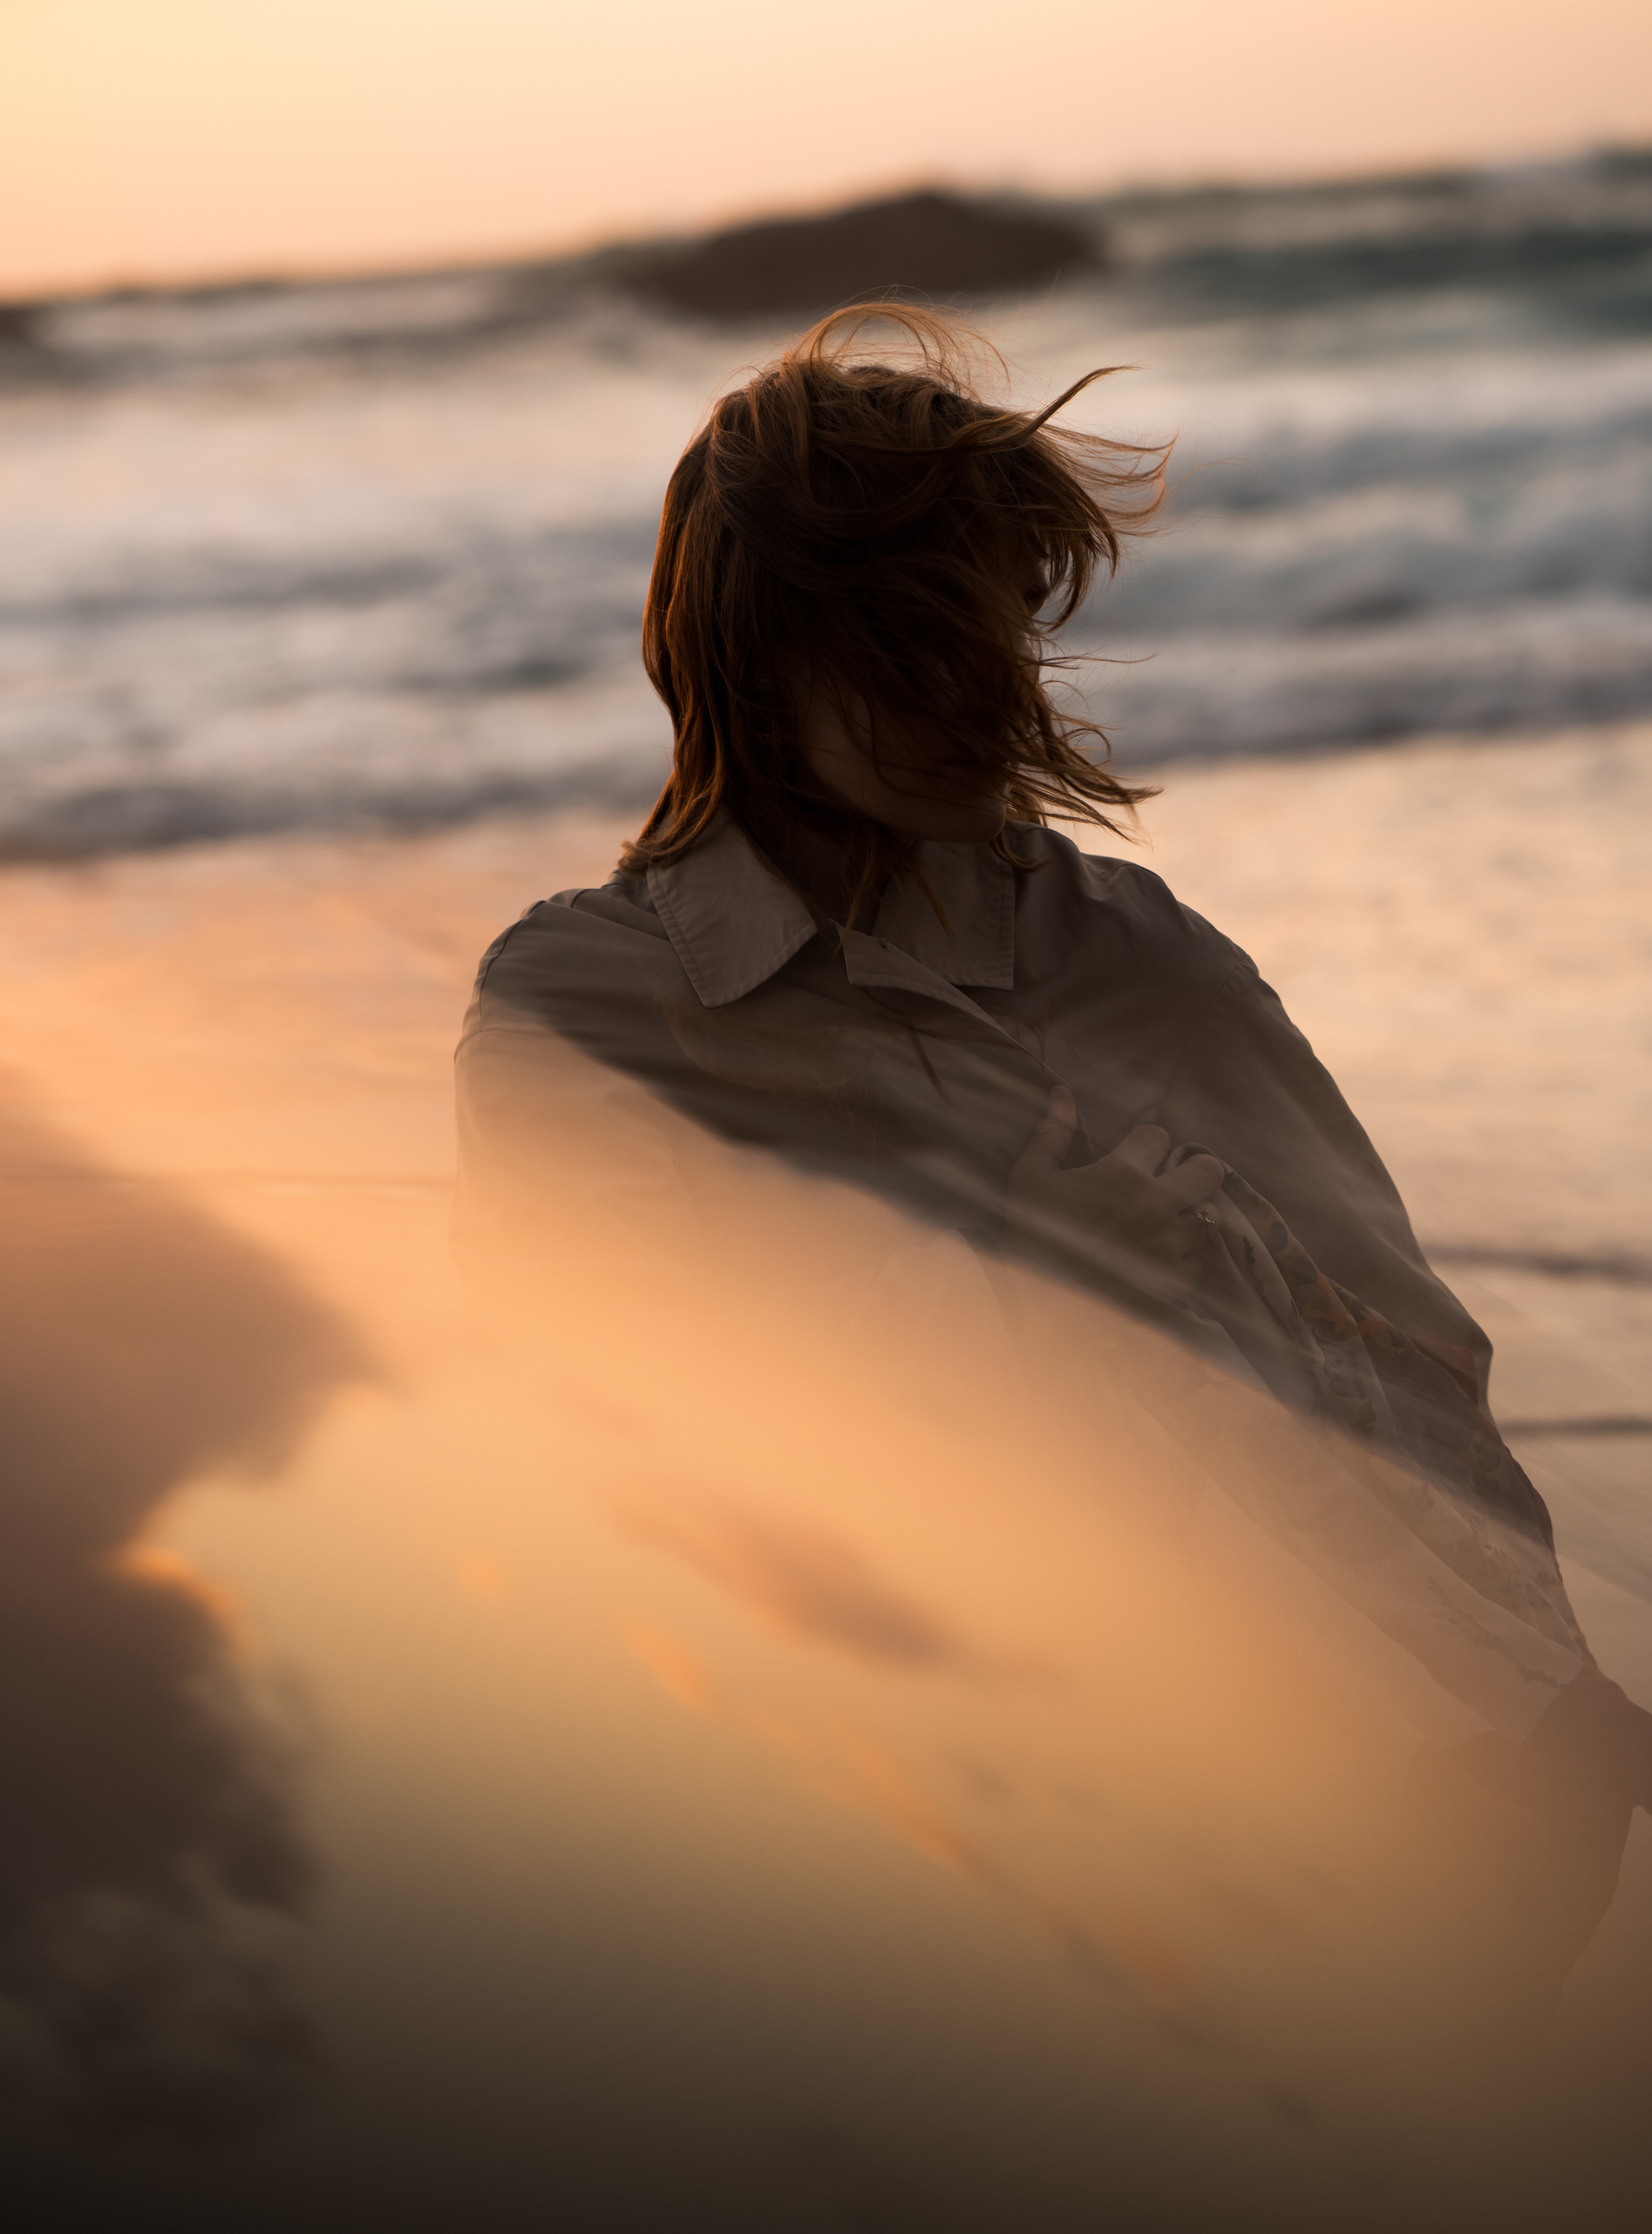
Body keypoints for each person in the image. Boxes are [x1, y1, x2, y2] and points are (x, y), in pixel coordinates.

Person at [456, 303, 1651, 1996]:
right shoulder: (592, 1004)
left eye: (1000, 633)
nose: (979, 696)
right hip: (963, 1871)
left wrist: (1555, 1701)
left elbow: (1405, 1354)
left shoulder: (1134, 949)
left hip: (1439, 1808)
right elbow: (600, 1456)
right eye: (906, 645)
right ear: (743, 650)